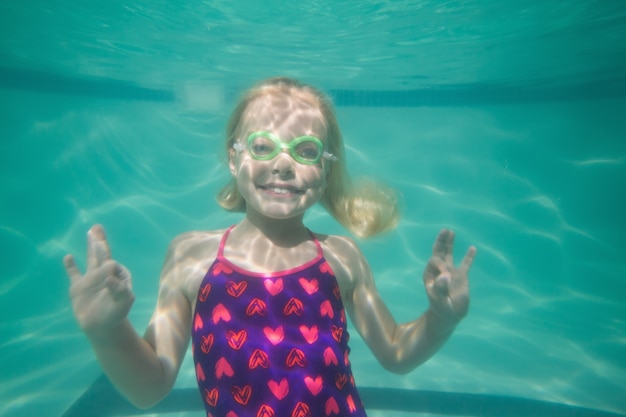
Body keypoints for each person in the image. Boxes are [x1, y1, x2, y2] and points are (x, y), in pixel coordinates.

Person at [64, 77, 477, 417]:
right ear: (234, 157)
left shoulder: (341, 258)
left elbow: (396, 354)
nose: (283, 164)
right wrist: (108, 331)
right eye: (263, 146)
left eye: (306, 150)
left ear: (326, 168)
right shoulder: (191, 257)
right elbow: (150, 388)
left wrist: (440, 318)